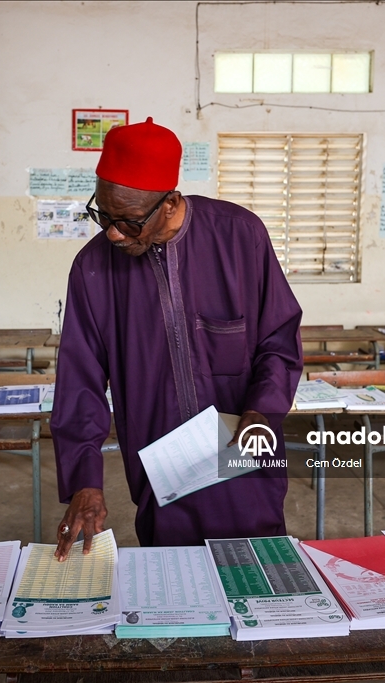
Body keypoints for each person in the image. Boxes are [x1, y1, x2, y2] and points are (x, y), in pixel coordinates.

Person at [50, 117, 303, 560]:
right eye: (103, 215)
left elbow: (279, 340)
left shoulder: (240, 235)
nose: (112, 233)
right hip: (159, 463)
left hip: (241, 450)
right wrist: (84, 481)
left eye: (128, 222)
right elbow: (80, 383)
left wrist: (263, 409)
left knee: (257, 572)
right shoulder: (93, 269)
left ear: (170, 202)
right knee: (173, 584)